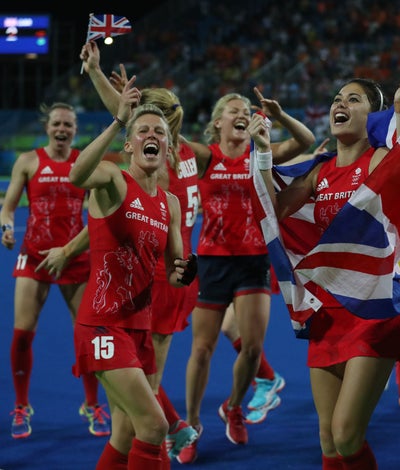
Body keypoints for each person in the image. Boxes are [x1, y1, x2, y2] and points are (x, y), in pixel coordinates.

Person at [256, 72, 400, 469]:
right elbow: (271, 210)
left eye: (353, 99)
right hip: (327, 312)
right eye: (336, 98)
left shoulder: (381, 160)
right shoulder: (318, 172)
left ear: (373, 116)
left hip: (375, 309)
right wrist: (263, 153)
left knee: (347, 435)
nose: (340, 105)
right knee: (328, 441)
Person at [178, 87, 315, 463]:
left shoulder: (261, 155)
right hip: (212, 262)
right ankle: (191, 425)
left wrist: (279, 116)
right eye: (233, 110)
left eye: (246, 110)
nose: (242, 114)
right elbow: (166, 134)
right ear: (218, 122)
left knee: (253, 349)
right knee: (202, 350)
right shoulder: (207, 156)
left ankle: (234, 406)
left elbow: (307, 140)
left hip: (255, 259)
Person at [80, 40, 201, 461]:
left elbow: (140, 127)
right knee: (145, 419)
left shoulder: (178, 161)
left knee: (133, 422)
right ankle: (179, 428)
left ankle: (179, 428)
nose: (150, 132)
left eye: (158, 126)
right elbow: (133, 128)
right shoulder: (133, 169)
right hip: (119, 305)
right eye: (142, 125)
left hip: (158, 282)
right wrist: (97, 77)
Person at [0, 102, 110, 439]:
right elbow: (8, 208)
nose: (62, 130)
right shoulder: (28, 161)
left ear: (76, 130)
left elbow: (96, 213)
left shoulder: (84, 163)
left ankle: (92, 404)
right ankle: (21, 405)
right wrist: (5, 226)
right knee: (22, 334)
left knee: (89, 334)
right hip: (33, 256)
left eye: (68, 126)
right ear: (47, 127)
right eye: (57, 124)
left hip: (74, 257)